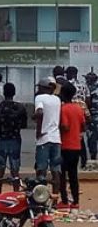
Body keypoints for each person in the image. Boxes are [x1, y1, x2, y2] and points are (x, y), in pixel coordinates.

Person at [0, 83, 27, 194]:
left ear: (3, 93)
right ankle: (15, 193)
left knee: (0, 169)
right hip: (15, 139)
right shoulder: (20, 107)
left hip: (1, 139)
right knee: (15, 170)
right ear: (14, 93)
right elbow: (24, 124)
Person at [58, 83, 85, 211]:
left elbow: (65, 126)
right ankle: (75, 201)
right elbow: (83, 125)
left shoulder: (63, 109)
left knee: (62, 174)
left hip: (65, 145)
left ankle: (64, 200)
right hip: (76, 145)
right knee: (73, 174)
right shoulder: (78, 108)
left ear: (62, 94)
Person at [34, 77, 62, 194]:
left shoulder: (39, 98)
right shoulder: (57, 99)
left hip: (44, 139)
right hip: (56, 137)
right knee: (55, 170)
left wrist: (39, 131)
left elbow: (39, 112)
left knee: (41, 170)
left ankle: (41, 196)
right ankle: (55, 197)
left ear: (43, 87)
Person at [66, 66, 90, 168]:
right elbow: (88, 99)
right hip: (82, 111)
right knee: (80, 137)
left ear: (68, 74)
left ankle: (70, 162)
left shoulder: (67, 85)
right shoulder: (83, 85)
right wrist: (84, 109)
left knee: (69, 136)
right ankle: (84, 160)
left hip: (70, 111)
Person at [86, 72, 98, 161]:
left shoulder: (90, 89)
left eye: (87, 79)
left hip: (93, 117)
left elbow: (88, 104)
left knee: (92, 138)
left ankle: (93, 158)